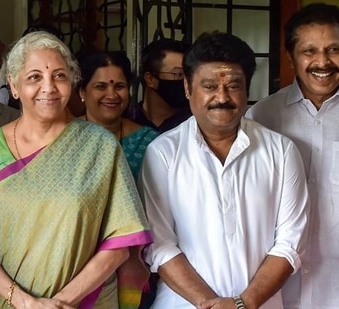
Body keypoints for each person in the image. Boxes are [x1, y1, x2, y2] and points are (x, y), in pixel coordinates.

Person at [0, 31, 152, 308]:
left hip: (83, 302)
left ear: (73, 83)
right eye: (34, 77)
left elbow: (120, 242)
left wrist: (61, 302)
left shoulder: (99, 145)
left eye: (59, 76)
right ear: (13, 86)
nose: (48, 87)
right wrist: (27, 302)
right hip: (4, 301)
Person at [140, 31, 309, 309]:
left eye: (233, 85)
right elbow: (159, 244)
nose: (222, 97)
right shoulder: (163, 153)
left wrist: (244, 303)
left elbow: (291, 243)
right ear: (187, 88)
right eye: (209, 86)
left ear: (247, 90)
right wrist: (207, 302)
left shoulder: (281, 151)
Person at [246, 3, 339, 308]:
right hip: (277, 279)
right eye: (309, 51)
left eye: (334, 50)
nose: (322, 62)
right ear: (291, 56)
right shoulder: (263, 115)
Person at [78, 50, 157, 308]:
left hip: (137, 261)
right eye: (100, 86)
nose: (112, 95)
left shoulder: (150, 142)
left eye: (120, 86)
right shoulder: (63, 139)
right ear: (82, 91)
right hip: (76, 262)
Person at [130, 38, 191, 133]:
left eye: (188, 75)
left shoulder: (194, 123)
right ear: (150, 79)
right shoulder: (130, 120)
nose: (186, 81)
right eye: (179, 74)